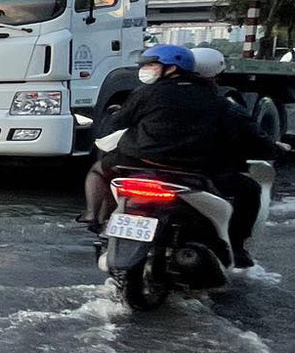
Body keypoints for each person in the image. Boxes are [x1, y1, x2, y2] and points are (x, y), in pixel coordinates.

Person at [83, 44, 285, 265]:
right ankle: (236, 249)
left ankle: (96, 220)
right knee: (250, 190)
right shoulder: (218, 102)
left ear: (172, 68)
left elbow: (117, 122)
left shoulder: (146, 93)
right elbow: (251, 139)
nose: (147, 69)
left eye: (152, 65)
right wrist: (273, 149)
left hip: (140, 163)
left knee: (99, 170)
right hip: (194, 170)